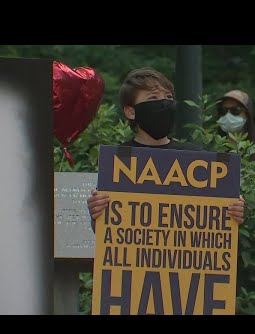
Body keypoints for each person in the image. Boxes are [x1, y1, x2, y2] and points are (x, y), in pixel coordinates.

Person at [87, 67, 245, 229]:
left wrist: (234, 212)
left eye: (169, 97)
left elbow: (216, 223)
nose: (164, 103)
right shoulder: (117, 162)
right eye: (153, 97)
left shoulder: (197, 159)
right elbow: (106, 233)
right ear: (130, 111)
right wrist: (96, 213)